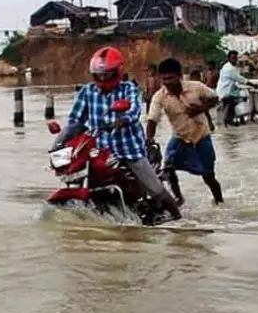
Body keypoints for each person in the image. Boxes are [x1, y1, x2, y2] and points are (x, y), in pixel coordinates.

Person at [59, 46, 182, 220]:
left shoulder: (128, 89)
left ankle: (178, 216)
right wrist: (60, 141)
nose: (102, 77)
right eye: (99, 74)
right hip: (99, 151)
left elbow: (133, 112)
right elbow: (75, 121)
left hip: (128, 149)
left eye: (107, 74)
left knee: (155, 189)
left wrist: (123, 119)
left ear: (117, 71)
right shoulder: (87, 92)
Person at [146, 58, 223, 206]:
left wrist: (200, 109)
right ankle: (178, 198)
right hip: (179, 137)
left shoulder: (196, 87)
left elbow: (215, 98)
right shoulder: (159, 96)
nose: (167, 82)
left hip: (202, 136)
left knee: (208, 176)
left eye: (171, 78)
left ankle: (219, 202)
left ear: (179, 76)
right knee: (167, 168)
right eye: (164, 79)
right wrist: (149, 138)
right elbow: (152, 120)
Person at [216, 50, 258, 126]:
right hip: (225, 92)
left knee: (240, 96)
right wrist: (252, 84)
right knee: (239, 99)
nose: (235, 60)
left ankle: (239, 118)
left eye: (235, 58)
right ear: (229, 59)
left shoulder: (227, 66)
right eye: (233, 58)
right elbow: (240, 79)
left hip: (224, 90)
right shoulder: (230, 69)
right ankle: (230, 119)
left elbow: (236, 81)